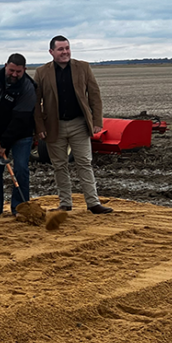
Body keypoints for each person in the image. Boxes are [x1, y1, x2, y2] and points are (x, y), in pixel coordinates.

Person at [33, 36, 112, 214]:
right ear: (51, 52)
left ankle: (93, 203)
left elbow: (94, 95)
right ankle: (65, 203)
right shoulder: (41, 72)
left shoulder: (83, 67)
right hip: (54, 126)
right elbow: (36, 103)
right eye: (60, 49)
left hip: (79, 124)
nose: (65, 52)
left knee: (84, 163)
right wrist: (40, 128)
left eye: (67, 48)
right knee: (59, 166)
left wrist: (97, 121)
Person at [0, 53, 38, 216]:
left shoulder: (28, 87)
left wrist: (3, 144)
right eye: (11, 70)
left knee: (20, 169)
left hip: (21, 134)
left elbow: (19, 121)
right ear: (6, 66)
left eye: (18, 72)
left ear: (24, 70)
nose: (14, 74)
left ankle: (20, 208)